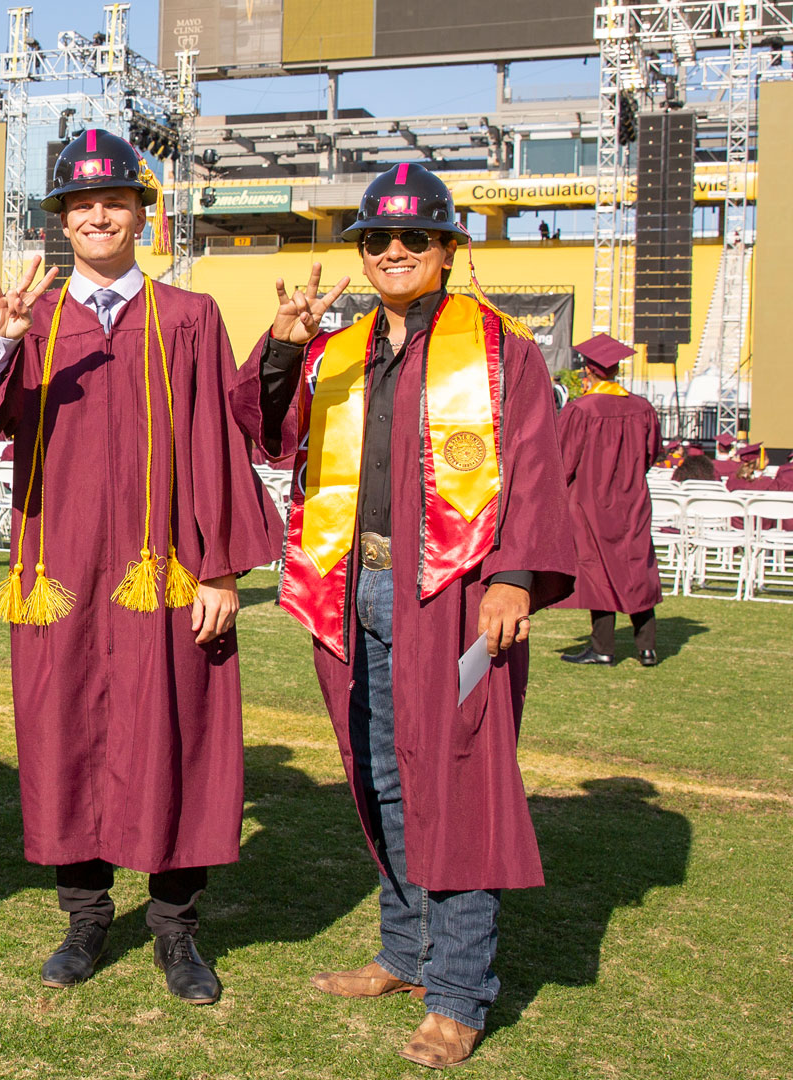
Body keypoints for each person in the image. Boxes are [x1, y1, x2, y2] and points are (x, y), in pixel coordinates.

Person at [233, 162, 575, 1068]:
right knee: (379, 772)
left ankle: (460, 991)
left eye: (413, 237)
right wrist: (277, 345)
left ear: (449, 248)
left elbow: (537, 469)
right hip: (353, 593)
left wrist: (515, 577)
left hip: (454, 595)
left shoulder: (501, 349)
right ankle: (401, 949)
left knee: (456, 781)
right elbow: (265, 428)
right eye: (376, 239)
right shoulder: (337, 351)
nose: (392, 251)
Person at [0, 130, 281, 1000]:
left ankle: (176, 930)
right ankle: (87, 920)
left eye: (114, 201)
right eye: (80, 204)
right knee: (68, 736)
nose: (98, 214)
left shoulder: (189, 316)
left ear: (140, 213)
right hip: (60, 571)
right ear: (62, 220)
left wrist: (221, 569)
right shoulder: (32, 320)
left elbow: (218, 446)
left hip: (163, 568)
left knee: (178, 736)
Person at [556, 334, 663, 667]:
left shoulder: (581, 409)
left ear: (589, 368)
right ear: (615, 369)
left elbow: (564, 460)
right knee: (636, 568)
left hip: (590, 503)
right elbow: (651, 453)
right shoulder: (642, 408)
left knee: (598, 572)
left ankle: (603, 648)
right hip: (633, 500)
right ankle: (647, 648)